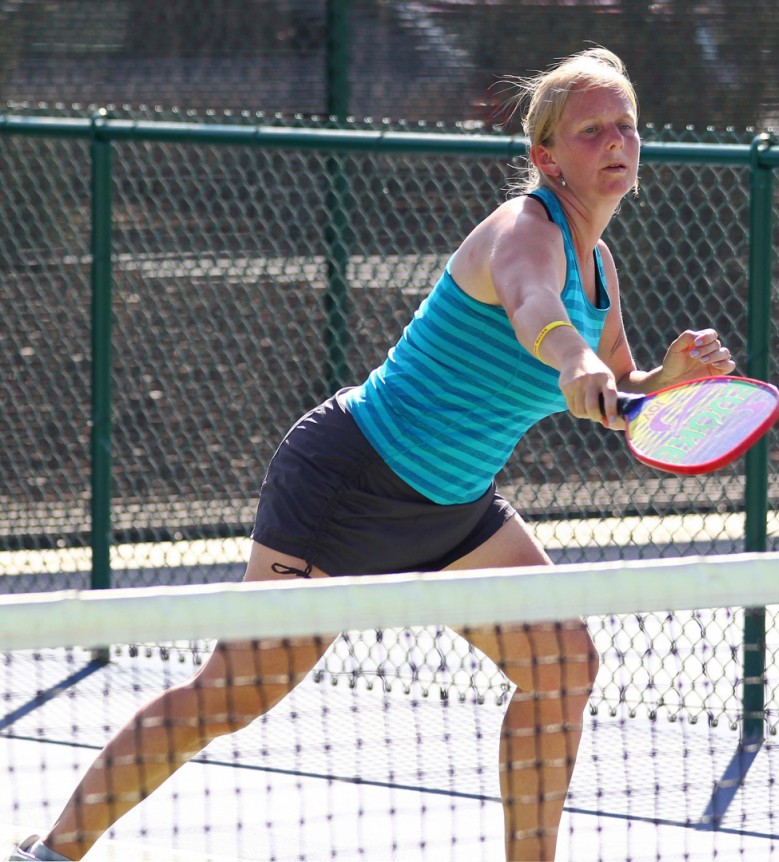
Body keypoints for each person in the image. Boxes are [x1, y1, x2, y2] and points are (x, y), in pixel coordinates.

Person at [11, 46, 735, 862]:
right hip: (348, 480)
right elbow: (538, 313)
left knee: (562, 662)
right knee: (232, 694)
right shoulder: (522, 230)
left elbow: (618, 395)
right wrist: (577, 362)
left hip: (455, 509)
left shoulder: (597, 265)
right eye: (591, 129)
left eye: (626, 126)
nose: (616, 142)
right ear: (545, 156)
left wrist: (661, 378)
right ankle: (53, 852)